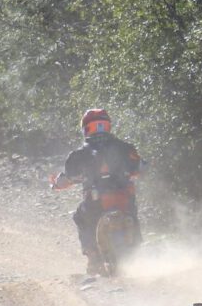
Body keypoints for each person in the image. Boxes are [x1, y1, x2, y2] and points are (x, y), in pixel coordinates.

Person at [50, 108, 144, 275]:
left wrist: (57, 183)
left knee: (80, 217)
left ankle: (94, 259)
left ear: (86, 128)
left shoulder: (79, 154)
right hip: (124, 198)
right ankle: (135, 249)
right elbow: (140, 167)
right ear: (107, 126)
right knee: (132, 214)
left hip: (96, 201)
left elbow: (67, 178)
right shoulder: (126, 147)